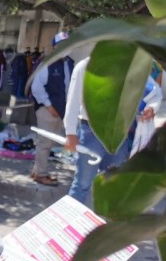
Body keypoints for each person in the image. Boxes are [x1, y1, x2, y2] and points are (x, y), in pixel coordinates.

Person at [64, 56, 162, 205]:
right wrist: (70, 133)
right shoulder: (85, 66)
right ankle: (69, 224)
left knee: (113, 184)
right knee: (82, 184)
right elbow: (73, 101)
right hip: (92, 132)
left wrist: (151, 108)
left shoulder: (131, 66)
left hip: (119, 134)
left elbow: (154, 91)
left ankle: (104, 225)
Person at [29, 31, 73, 186]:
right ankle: (41, 174)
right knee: (44, 144)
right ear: (54, 47)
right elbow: (36, 87)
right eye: (61, 45)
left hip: (61, 111)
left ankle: (36, 171)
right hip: (48, 111)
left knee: (48, 144)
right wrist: (49, 105)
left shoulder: (70, 64)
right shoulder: (46, 64)